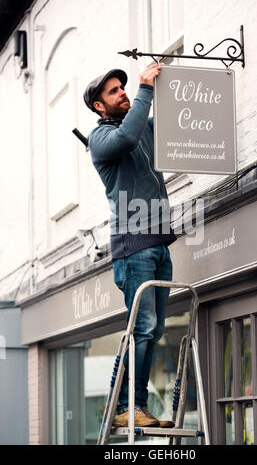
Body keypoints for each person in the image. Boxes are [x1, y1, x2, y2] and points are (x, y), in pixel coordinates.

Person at [83, 65, 176, 428]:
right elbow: (127, 137)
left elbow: (168, 129)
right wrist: (144, 88)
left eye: (124, 87)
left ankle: (134, 405)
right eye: (114, 92)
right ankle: (124, 407)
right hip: (133, 246)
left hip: (158, 241)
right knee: (143, 325)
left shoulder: (143, 128)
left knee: (154, 329)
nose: (123, 93)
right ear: (99, 107)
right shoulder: (101, 138)